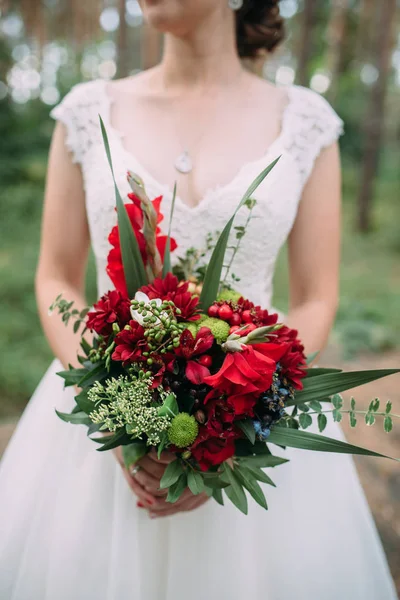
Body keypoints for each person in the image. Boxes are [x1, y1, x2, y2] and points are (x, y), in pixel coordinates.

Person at [0, 1, 398, 598]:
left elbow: (316, 297)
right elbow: (55, 277)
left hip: (247, 415)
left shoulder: (306, 122)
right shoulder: (87, 112)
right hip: (98, 419)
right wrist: (118, 409)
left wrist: (231, 422)